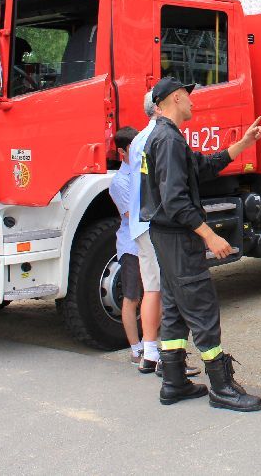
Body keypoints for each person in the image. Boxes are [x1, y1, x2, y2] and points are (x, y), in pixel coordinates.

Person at [140, 76, 261, 410]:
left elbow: (205, 167)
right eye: (189, 97)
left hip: (166, 238)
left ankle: (174, 382)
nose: (194, 102)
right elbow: (176, 201)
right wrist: (211, 236)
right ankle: (222, 387)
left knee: (174, 308)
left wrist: (243, 144)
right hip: (178, 239)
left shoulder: (167, 138)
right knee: (202, 308)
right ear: (177, 98)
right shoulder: (167, 141)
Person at [129, 91, 200, 378]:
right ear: (162, 107)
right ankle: (163, 359)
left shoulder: (138, 139)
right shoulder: (162, 138)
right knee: (164, 291)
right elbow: (170, 191)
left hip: (140, 221)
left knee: (152, 288)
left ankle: (150, 353)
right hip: (157, 224)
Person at [110, 126, 142, 363]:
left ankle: (151, 342)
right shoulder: (120, 181)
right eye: (133, 147)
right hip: (132, 247)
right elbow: (133, 215)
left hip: (147, 243)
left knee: (155, 294)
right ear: (122, 152)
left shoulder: (142, 171)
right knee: (132, 297)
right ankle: (136, 348)